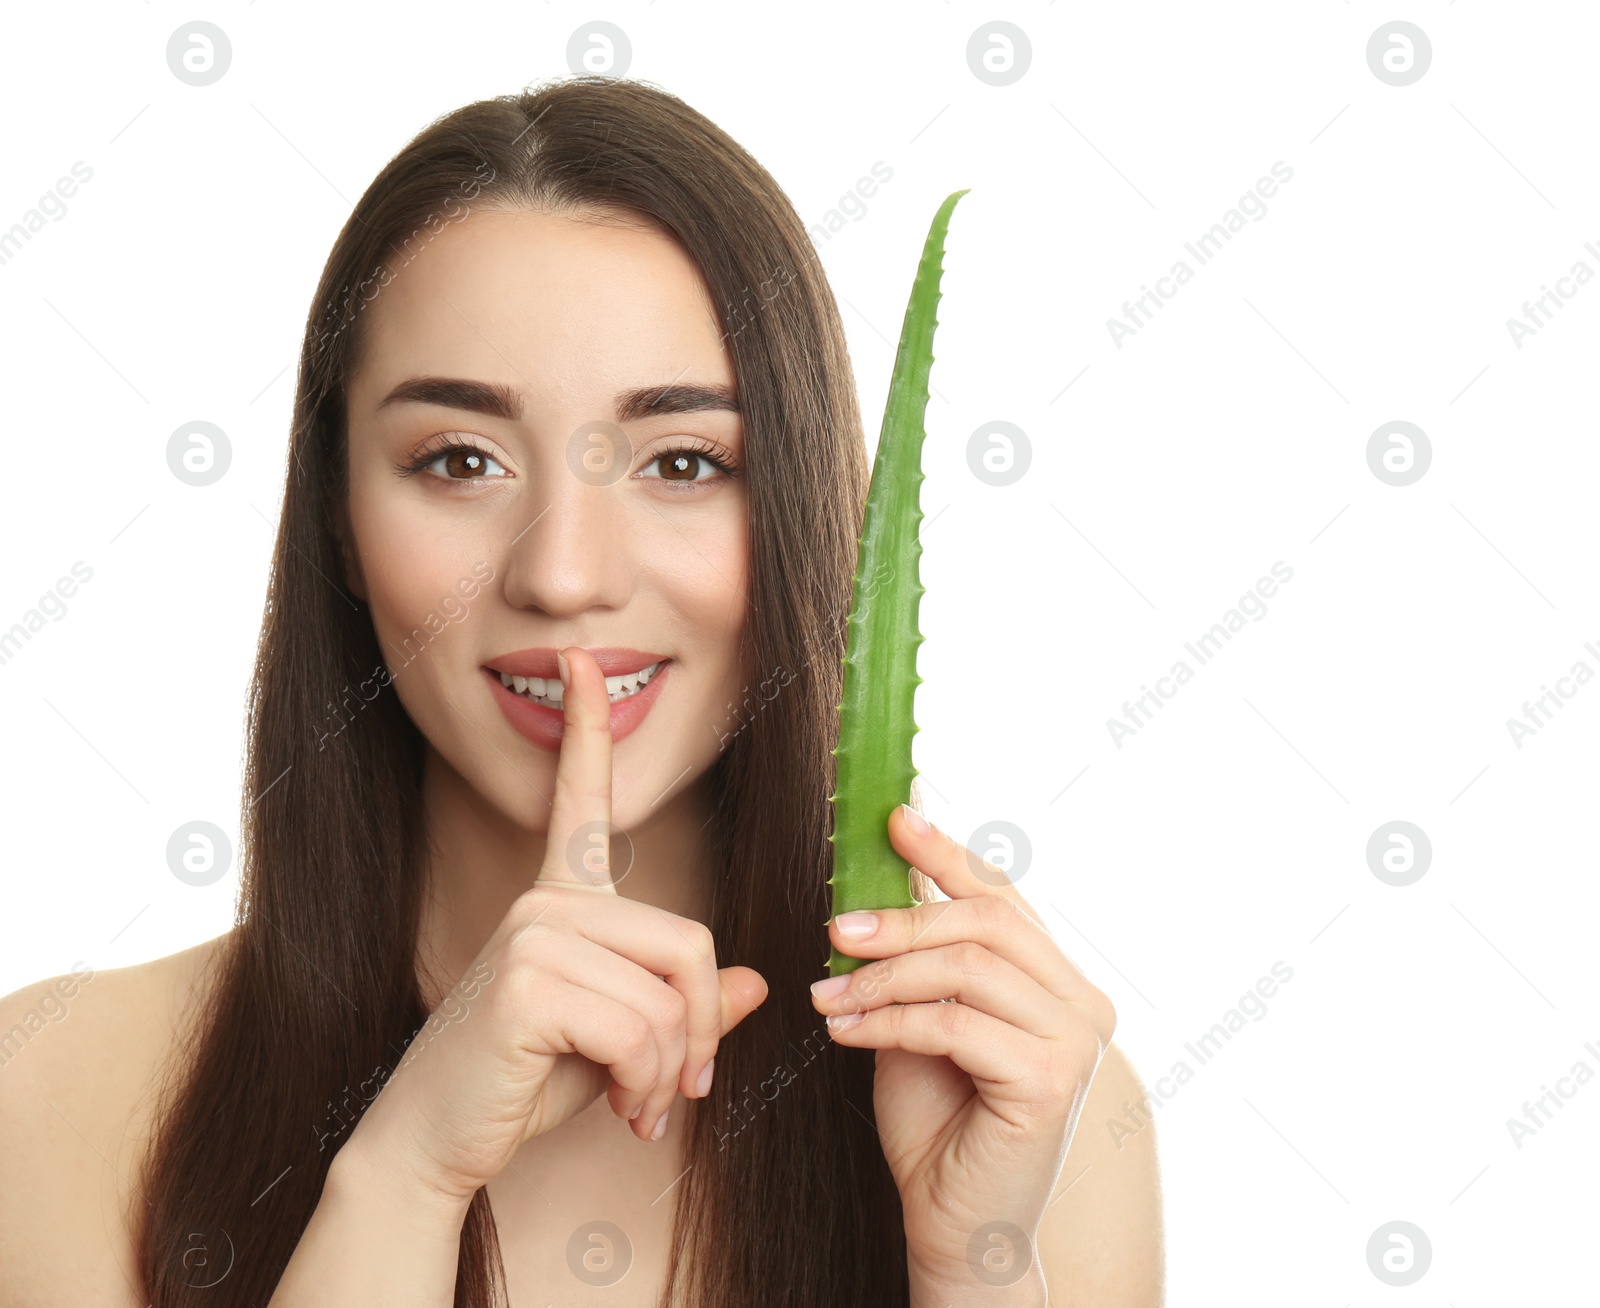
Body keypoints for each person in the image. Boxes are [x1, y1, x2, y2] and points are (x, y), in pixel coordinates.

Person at [0, 76, 1164, 1306]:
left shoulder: (1036, 1113)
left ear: (807, 515)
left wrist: (968, 1268)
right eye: (459, 460)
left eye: (680, 461)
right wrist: (400, 1181)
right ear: (337, 518)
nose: (562, 576)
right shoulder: (67, 1088)